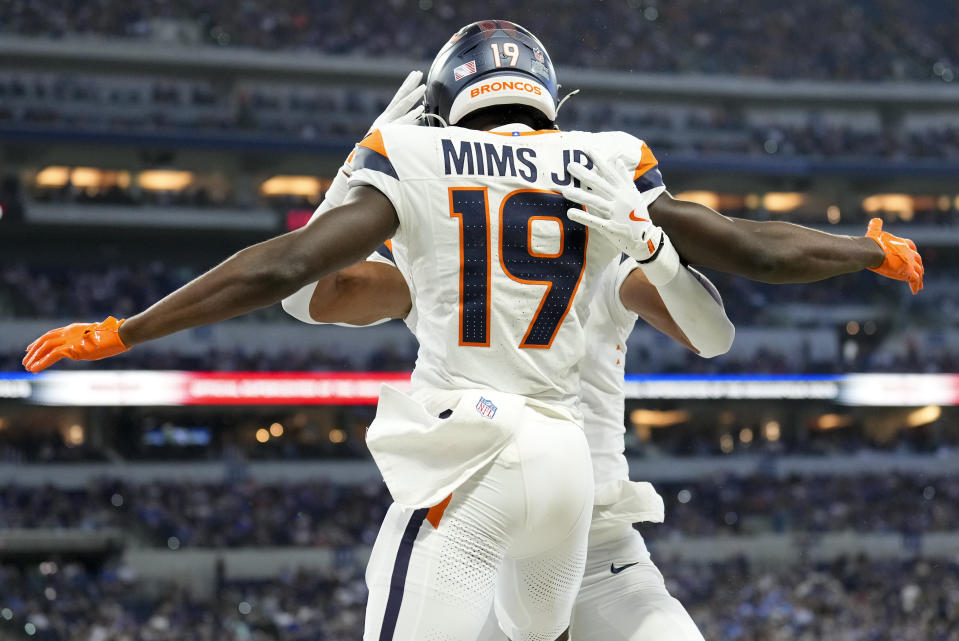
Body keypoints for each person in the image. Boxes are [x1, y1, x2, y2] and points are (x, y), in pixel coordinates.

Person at [23, 20, 922, 641]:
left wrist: (126, 330)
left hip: (478, 453)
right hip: (569, 468)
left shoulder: (416, 161)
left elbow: (287, 274)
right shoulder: (602, 165)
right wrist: (860, 248)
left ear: (446, 96)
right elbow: (748, 247)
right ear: (543, 92)